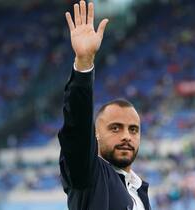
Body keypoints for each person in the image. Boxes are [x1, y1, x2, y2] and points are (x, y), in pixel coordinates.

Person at [58, 1, 151, 210]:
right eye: (115, 128)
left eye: (133, 130)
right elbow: (77, 129)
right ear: (96, 135)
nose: (126, 136)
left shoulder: (138, 192)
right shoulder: (89, 176)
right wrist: (84, 64)